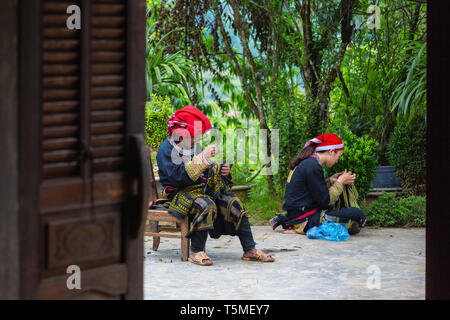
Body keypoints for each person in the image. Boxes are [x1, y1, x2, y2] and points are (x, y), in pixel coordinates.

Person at [156, 105, 274, 266]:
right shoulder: (166, 149)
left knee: (233, 202)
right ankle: (196, 251)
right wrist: (202, 159)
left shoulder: (192, 146)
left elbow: (205, 170)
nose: (198, 139)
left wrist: (223, 170)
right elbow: (178, 178)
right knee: (206, 204)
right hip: (179, 194)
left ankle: (250, 249)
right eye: (195, 135)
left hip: (201, 190)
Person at [270, 133, 366, 235]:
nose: (338, 160)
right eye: (339, 156)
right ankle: (359, 216)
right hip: (305, 218)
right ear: (331, 152)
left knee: (355, 214)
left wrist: (331, 180)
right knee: (355, 217)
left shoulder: (309, 163)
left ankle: (358, 216)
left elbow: (313, 190)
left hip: (299, 214)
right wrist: (340, 182)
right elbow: (325, 201)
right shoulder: (313, 166)